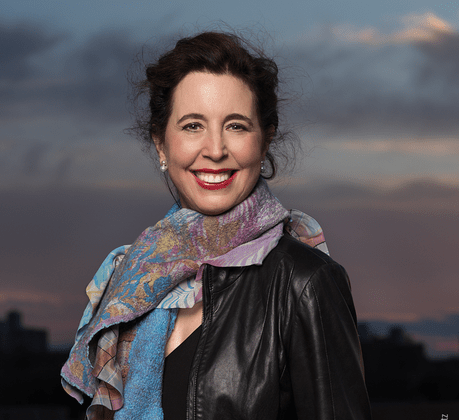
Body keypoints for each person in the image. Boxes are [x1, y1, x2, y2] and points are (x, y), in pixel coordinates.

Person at [61, 31, 372, 420]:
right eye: (193, 125)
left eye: (236, 126)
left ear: (265, 141)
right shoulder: (128, 281)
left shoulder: (305, 282)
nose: (214, 150)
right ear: (161, 144)